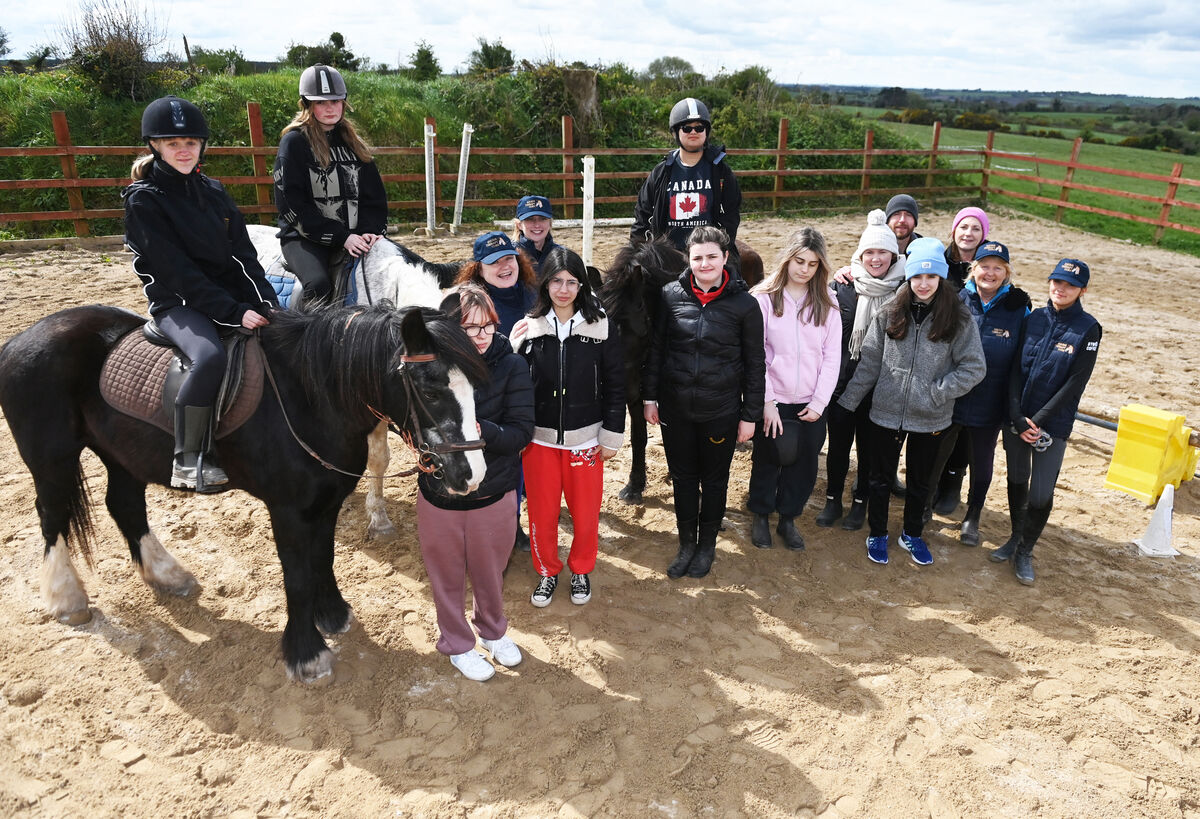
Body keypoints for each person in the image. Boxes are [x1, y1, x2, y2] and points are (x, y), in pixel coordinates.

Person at [123, 96, 279, 494]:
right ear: (155, 146)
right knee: (209, 357)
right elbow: (177, 273)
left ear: (201, 146)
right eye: (173, 143)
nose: (183, 150)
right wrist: (233, 312)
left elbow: (242, 256)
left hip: (225, 297)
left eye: (190, 142)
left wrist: (265, 301)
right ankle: (188, 457)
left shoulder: (214, 192)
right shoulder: (143, 200)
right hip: (177, 303)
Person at [836, 238, 985, 566]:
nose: (923, 283)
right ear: (909, 276)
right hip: (885, 412)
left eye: (931, 277)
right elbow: (870, 361)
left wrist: (937, 392)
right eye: (917, 276)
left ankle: (912, 534)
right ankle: (877, 532)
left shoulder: (958, 318)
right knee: (879, 478)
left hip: (931, 416)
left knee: (921, 481)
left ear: (941, 278)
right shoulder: (890, 311)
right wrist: (848, 402)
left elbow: (974, 367)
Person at [416, 285, 534, 681]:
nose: (481, 336)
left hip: (494, 492)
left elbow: (521, 432)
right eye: (470, 328)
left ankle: (493, 631)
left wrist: (481, 431)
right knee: (446, 576)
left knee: (491, 573)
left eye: (488, 326)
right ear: (451, 329)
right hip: (440, 496)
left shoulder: (512, 365)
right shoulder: (430, 368)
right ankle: (458, 644)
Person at [643, 226, 765, 579]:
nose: (705, 264)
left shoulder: (745, 305)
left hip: (720, 411)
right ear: (688, 260)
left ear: (725, 258)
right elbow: (657, 350)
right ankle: (686, 544)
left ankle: (706, 546)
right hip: (676, 408)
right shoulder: (669, 295)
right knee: (682, 479)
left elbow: (755, 363)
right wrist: (650, 397)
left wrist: (750, 415)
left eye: (712, 256)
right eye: (697, 258)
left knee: (714, 481)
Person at [509, 248, 625, 607]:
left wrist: (611, 434)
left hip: (585, 440)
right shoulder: (529, 328)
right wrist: (513, 347)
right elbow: (514, 385)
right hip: (539, 442)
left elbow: (615, 383)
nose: (563, 289)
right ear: (546, 284)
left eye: (571, 282)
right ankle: (547, 571)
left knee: (586, 515)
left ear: (581, 285)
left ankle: (581, 569)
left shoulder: (602, 326)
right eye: (556, 281)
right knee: (542, 514)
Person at [991, 259, 1101, 585]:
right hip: (1018, 416)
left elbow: (1075, 383)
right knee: (1016, 479)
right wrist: (1016, 414)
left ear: (1082, 290)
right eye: (1057, 281)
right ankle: (1015, 537)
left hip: (1051, 424)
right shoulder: (1034, 318)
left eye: (1070, 285)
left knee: (1040, 493)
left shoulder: (1088, 328)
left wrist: (1037, 421)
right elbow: (1014, 369)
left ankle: (1026, 549)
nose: (1061, 289)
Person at [747, 228, 841, 551]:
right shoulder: (762, 298)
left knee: (804, 462)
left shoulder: (828, 302)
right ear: (787, 258)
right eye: (799, 261)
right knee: (768, 458)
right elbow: (756, 354)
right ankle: (760, 514)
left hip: (811, 401)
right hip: (774, 400)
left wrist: (819, 401)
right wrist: (767, 401)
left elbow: (832, 356)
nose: (805, 269)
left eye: (813, 264)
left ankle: (788, 518)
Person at [816, 210, 906, 531]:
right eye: (869, 252)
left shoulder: (905, 290)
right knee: (838, 448)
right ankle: (832, 500)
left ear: (893, 255)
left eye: (883, 252)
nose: (875, 259)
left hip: (879, 389)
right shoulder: (842, 287)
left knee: (869, 452)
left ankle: (859, 503)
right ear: (860, 255)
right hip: (843, 385)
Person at [936, 242, 1030, 546]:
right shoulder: (956, 299)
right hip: (952, 394)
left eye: (997, 268)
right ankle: (924, 506)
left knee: (982, 461)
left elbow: (1022, 358)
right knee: (936, 453)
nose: (990, 273)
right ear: (973, 269)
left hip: (991, 397)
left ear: (1006, 272)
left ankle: (973, 515)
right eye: (984, 266)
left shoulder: (1019, 307)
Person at [273, 64, 388, 305]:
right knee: (318, 285)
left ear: (343, 103)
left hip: (354, 234)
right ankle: (302, 329)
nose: (330, 108)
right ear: (307, 105)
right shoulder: (294, 143)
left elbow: (374, 197)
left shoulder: (353, 143)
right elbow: (291, 204)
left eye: (335, 101)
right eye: (321, 102)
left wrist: (371, 230)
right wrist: (341, 236)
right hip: (304, 237)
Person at [631, 97, 743, 275]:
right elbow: (642, 216)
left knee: (735, 284)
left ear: (706, 131)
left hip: (708, 253)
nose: (694, 132)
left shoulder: (721, 171)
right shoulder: (661, 172)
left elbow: (731, 215)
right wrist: (637, 251)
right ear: (675, 132)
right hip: (668, 256)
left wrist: (718, 249)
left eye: (699, 128)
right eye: (686, 128)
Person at [455, 231, 537, 336]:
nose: (505, 266)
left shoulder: (536, 291)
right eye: (494, 262)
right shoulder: (471, 308)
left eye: (509, 258)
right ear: (479, 270)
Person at [513, 195, 564, 276]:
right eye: (530, 219)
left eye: (542, 219)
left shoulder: (562, 255)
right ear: (519, 225)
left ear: (550, 223)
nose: (537, 225)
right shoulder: (510, 255)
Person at [945, 207, 989, 290]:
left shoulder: (994, 262)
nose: (968, 233)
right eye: (963, 227)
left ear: (983, 234)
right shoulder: (942, 263)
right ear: (954, 231)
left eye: (976, 229)